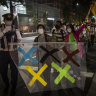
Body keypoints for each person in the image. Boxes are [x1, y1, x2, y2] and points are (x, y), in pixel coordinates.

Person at [0, 13, 22, 96]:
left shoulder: (15, 30)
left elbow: (20, 39)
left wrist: (20, 44)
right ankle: (6, 84)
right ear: (4, 20)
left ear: (12, 21)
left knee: (14, 71)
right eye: (7, 20)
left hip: (14, 52)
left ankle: (13, 87)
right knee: (3, 71)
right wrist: (4, 31)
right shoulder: (1, 29)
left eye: (10, 20)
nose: (9, 22)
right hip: (3, 53)